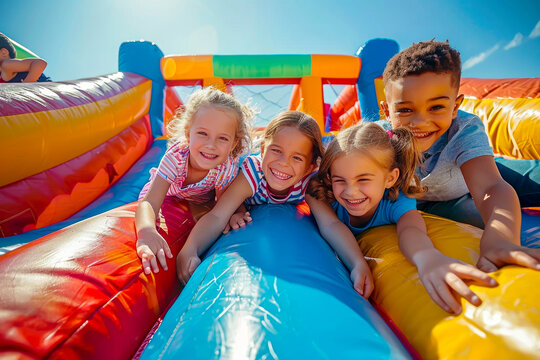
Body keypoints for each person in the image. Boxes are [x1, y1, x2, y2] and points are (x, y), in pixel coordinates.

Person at [380, 40, 540, 272]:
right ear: (387, 111)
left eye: (436, 108)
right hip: (439, 200)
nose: (420, 122)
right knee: (474, 217)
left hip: (475, 172)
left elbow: (490, 187)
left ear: (455, 108)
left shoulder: (462, 129)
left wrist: (501, 239)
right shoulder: (379, 140)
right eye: (405, 110)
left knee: (527, 181)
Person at [307, 123, 497, 313]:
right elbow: (331, 224)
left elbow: (410, 228)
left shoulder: (396, 198)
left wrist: (426, 258)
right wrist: (357, 263)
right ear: (330, 177)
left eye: (363, 179)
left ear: (390, 178)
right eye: (340, 180)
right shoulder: (319, 191)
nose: (351, 192)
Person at [176, 110, 324, 284]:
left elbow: (330, 223)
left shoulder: (309, 182)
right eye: (276, 150)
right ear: (262, 150)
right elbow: (218, 215)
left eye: (297, 158)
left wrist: (357, 262)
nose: (284, 162)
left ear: (309, 167)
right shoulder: (253, 173)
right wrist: (189, 250)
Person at [136, 87, 253, 275]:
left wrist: (237, 213)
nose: (211, 145)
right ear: (188, 131)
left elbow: (222, 206)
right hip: (169, 193)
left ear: (234, 143)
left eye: (222, 138)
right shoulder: (176, 157)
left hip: (199, 200)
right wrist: (146, 230)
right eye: (202, 133)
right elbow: (149, 202)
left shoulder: (225, 166)